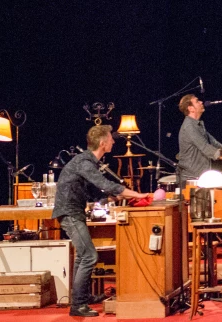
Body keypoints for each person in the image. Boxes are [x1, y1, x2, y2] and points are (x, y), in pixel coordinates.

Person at [52, 125, 149, 317]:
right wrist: (137, 194)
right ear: (103, 143)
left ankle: (83, 297)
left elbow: (94, 192)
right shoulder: (85, 162)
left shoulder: (88, 163)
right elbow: (104, 184)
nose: (113, 141)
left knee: (82, 256)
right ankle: (78, 305)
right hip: (69, 212)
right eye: (111, 139)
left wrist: (112, 198)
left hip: (74, 211)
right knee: (89, 256)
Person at [175, 94, 222, 184]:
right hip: (190, 179)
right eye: (197, 101)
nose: (201, 102)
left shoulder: (198, 125)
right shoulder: (189, 126)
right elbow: (205, 147)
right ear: (191, 108)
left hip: (199, 175)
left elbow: (213, 142)